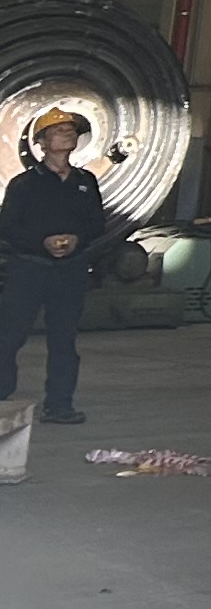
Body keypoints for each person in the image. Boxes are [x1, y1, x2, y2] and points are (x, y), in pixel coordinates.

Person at [3, 106, 109, 424]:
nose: (67, 134)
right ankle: (1, 397)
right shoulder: (24, 184)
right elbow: (7, 227)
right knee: (8, 336)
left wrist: (77, 240)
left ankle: (60, 406)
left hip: (69, 272)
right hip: (29, 270)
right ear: (42, 142)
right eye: (59, 131)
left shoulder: (85, 182)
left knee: (63, 341)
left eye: (71, 130)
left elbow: (97, 223)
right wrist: (43, 242)